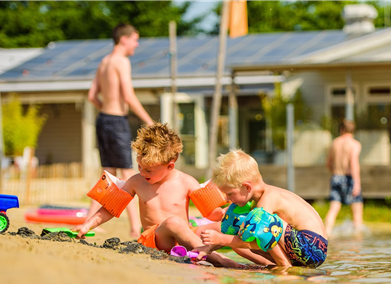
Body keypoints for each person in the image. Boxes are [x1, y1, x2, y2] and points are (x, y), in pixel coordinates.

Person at [75, 123, 244, 269]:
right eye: (140, 166)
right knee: (174, 222)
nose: (142, 172)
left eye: (148, 170)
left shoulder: (187, 182)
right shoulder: (136, 182)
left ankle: (264, 257)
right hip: (155, 240)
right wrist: (87, 225)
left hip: (184, 236)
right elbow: (111, 209)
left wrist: (230, 213)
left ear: (170, 165)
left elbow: (212, 214)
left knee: (226, 227)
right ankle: (220, 260)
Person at [195, 150, 328, 268]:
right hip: (307, 248)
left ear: (247, 187)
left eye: (230, 194)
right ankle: (278, 265)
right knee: (239, 226)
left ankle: (284, 266)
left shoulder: (268, 198)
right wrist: (208, 249)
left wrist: (221, 239)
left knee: (259, 226)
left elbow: (261, 237)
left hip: (311, 246)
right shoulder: (257, 200)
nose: (228, 199)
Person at [86, 23, 154, 238]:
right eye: (135, 39)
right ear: (124, 39)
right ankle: (135, 227)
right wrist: (149, 122)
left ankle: (90, 220)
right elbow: (128, 96)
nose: (137, 43)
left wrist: (105, 110)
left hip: (103, 119)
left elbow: (91, 96)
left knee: (108, 174)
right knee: (127, 173)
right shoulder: (121, 62)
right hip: (116, 121)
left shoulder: (104, 62)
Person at [323, 119, 363, 236]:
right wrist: (357, 182)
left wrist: (335, 173)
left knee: (333, 208)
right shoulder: (355, 144)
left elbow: (328, 164)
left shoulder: (334, 143)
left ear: (341, 130)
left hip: (336, 176)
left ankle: (327, 234)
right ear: (353, 131)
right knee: (356, 210)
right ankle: (358, 237)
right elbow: (354, 163)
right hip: (349, 178)